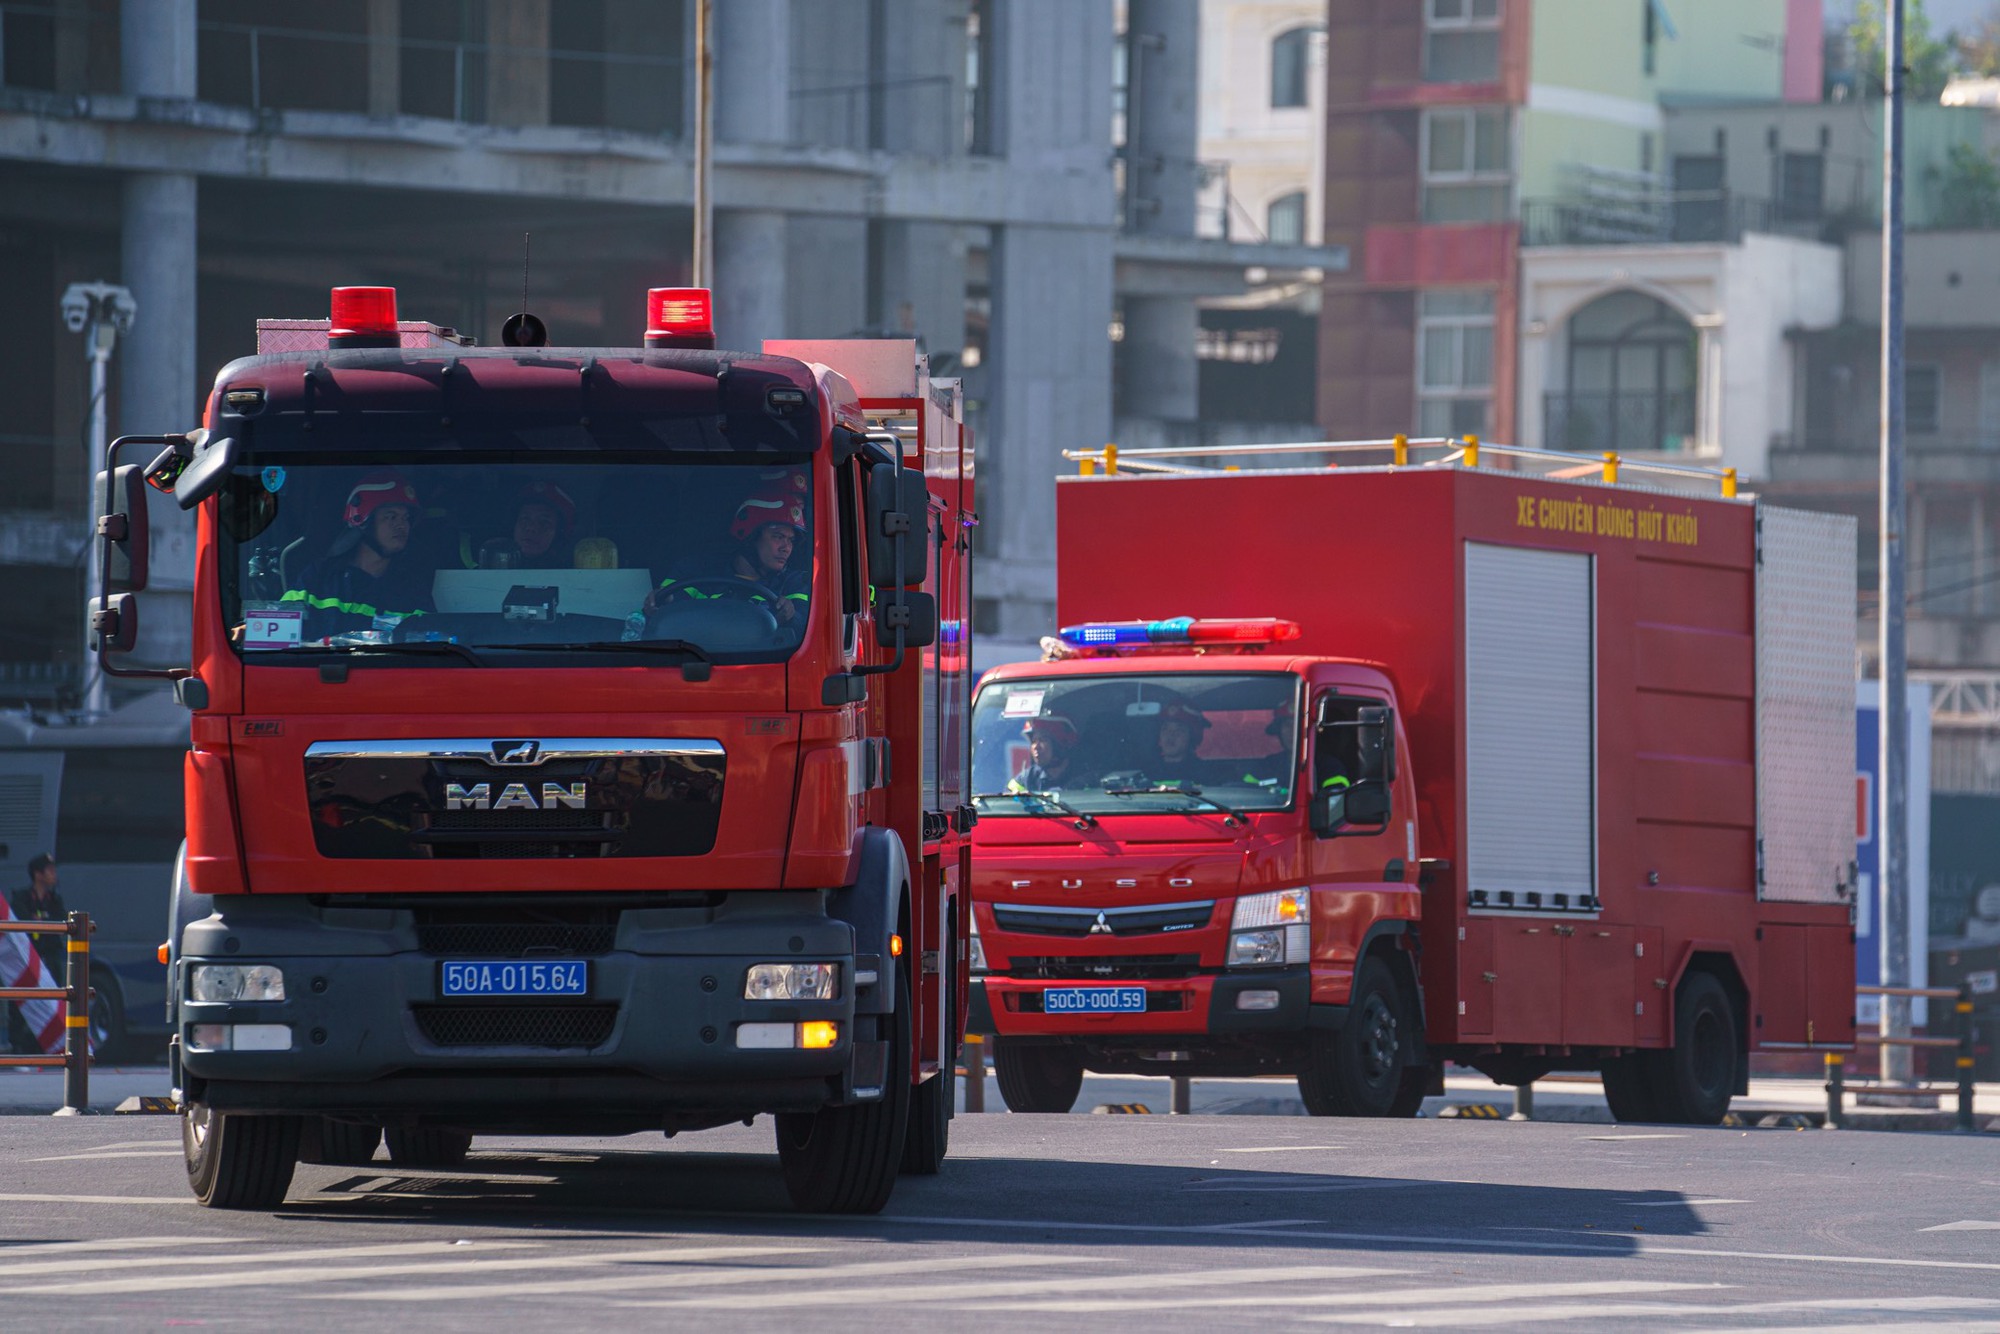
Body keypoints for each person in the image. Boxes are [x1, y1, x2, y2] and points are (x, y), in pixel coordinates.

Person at [279, 471, 435, 640]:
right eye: (391, 517)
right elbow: (279, 632)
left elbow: (426, 647)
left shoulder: (411, 589)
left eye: (406, 518)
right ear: (362, 521)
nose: (402, 525)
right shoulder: (318, 577)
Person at [648, 484, 810, 624]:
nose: (786, 548)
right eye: (778, 537)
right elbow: (667, 612)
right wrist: (660, 602)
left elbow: (805, 627)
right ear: (750, 537)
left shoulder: (794, 583)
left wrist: (791, 616)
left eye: (791, 540)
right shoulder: (695, 569)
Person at [6, 855, 63, 1056]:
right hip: (27, 958)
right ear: (38, 874)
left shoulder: (54, 901)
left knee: (53, 999)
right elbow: (21, 925)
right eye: (49, 870)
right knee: (21, 1001)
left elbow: (60, 924)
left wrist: (39, 921)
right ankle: (18, 1046)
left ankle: (43, 1046)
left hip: (49, 959)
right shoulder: (22, 898)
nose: (54, 875)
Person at [476, 480, 577, 571]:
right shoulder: (485, 568)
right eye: (525, 519)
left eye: (544, 522)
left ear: (559, 533)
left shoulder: (572, 574)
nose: (531, 528)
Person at [1009, 713, 1091, 792]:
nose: (1035, 747)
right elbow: (1007, 801)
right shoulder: (1028, 778)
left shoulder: (1085, 780)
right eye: (1034, 741)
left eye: (1043, 740)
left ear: (1061, 744)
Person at [1146, 702, 1216, 786]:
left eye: (1179, 730)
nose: (1170, 735)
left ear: (1191, 737)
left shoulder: (1203, 773)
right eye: (1165, 729)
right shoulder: (1147, 772)